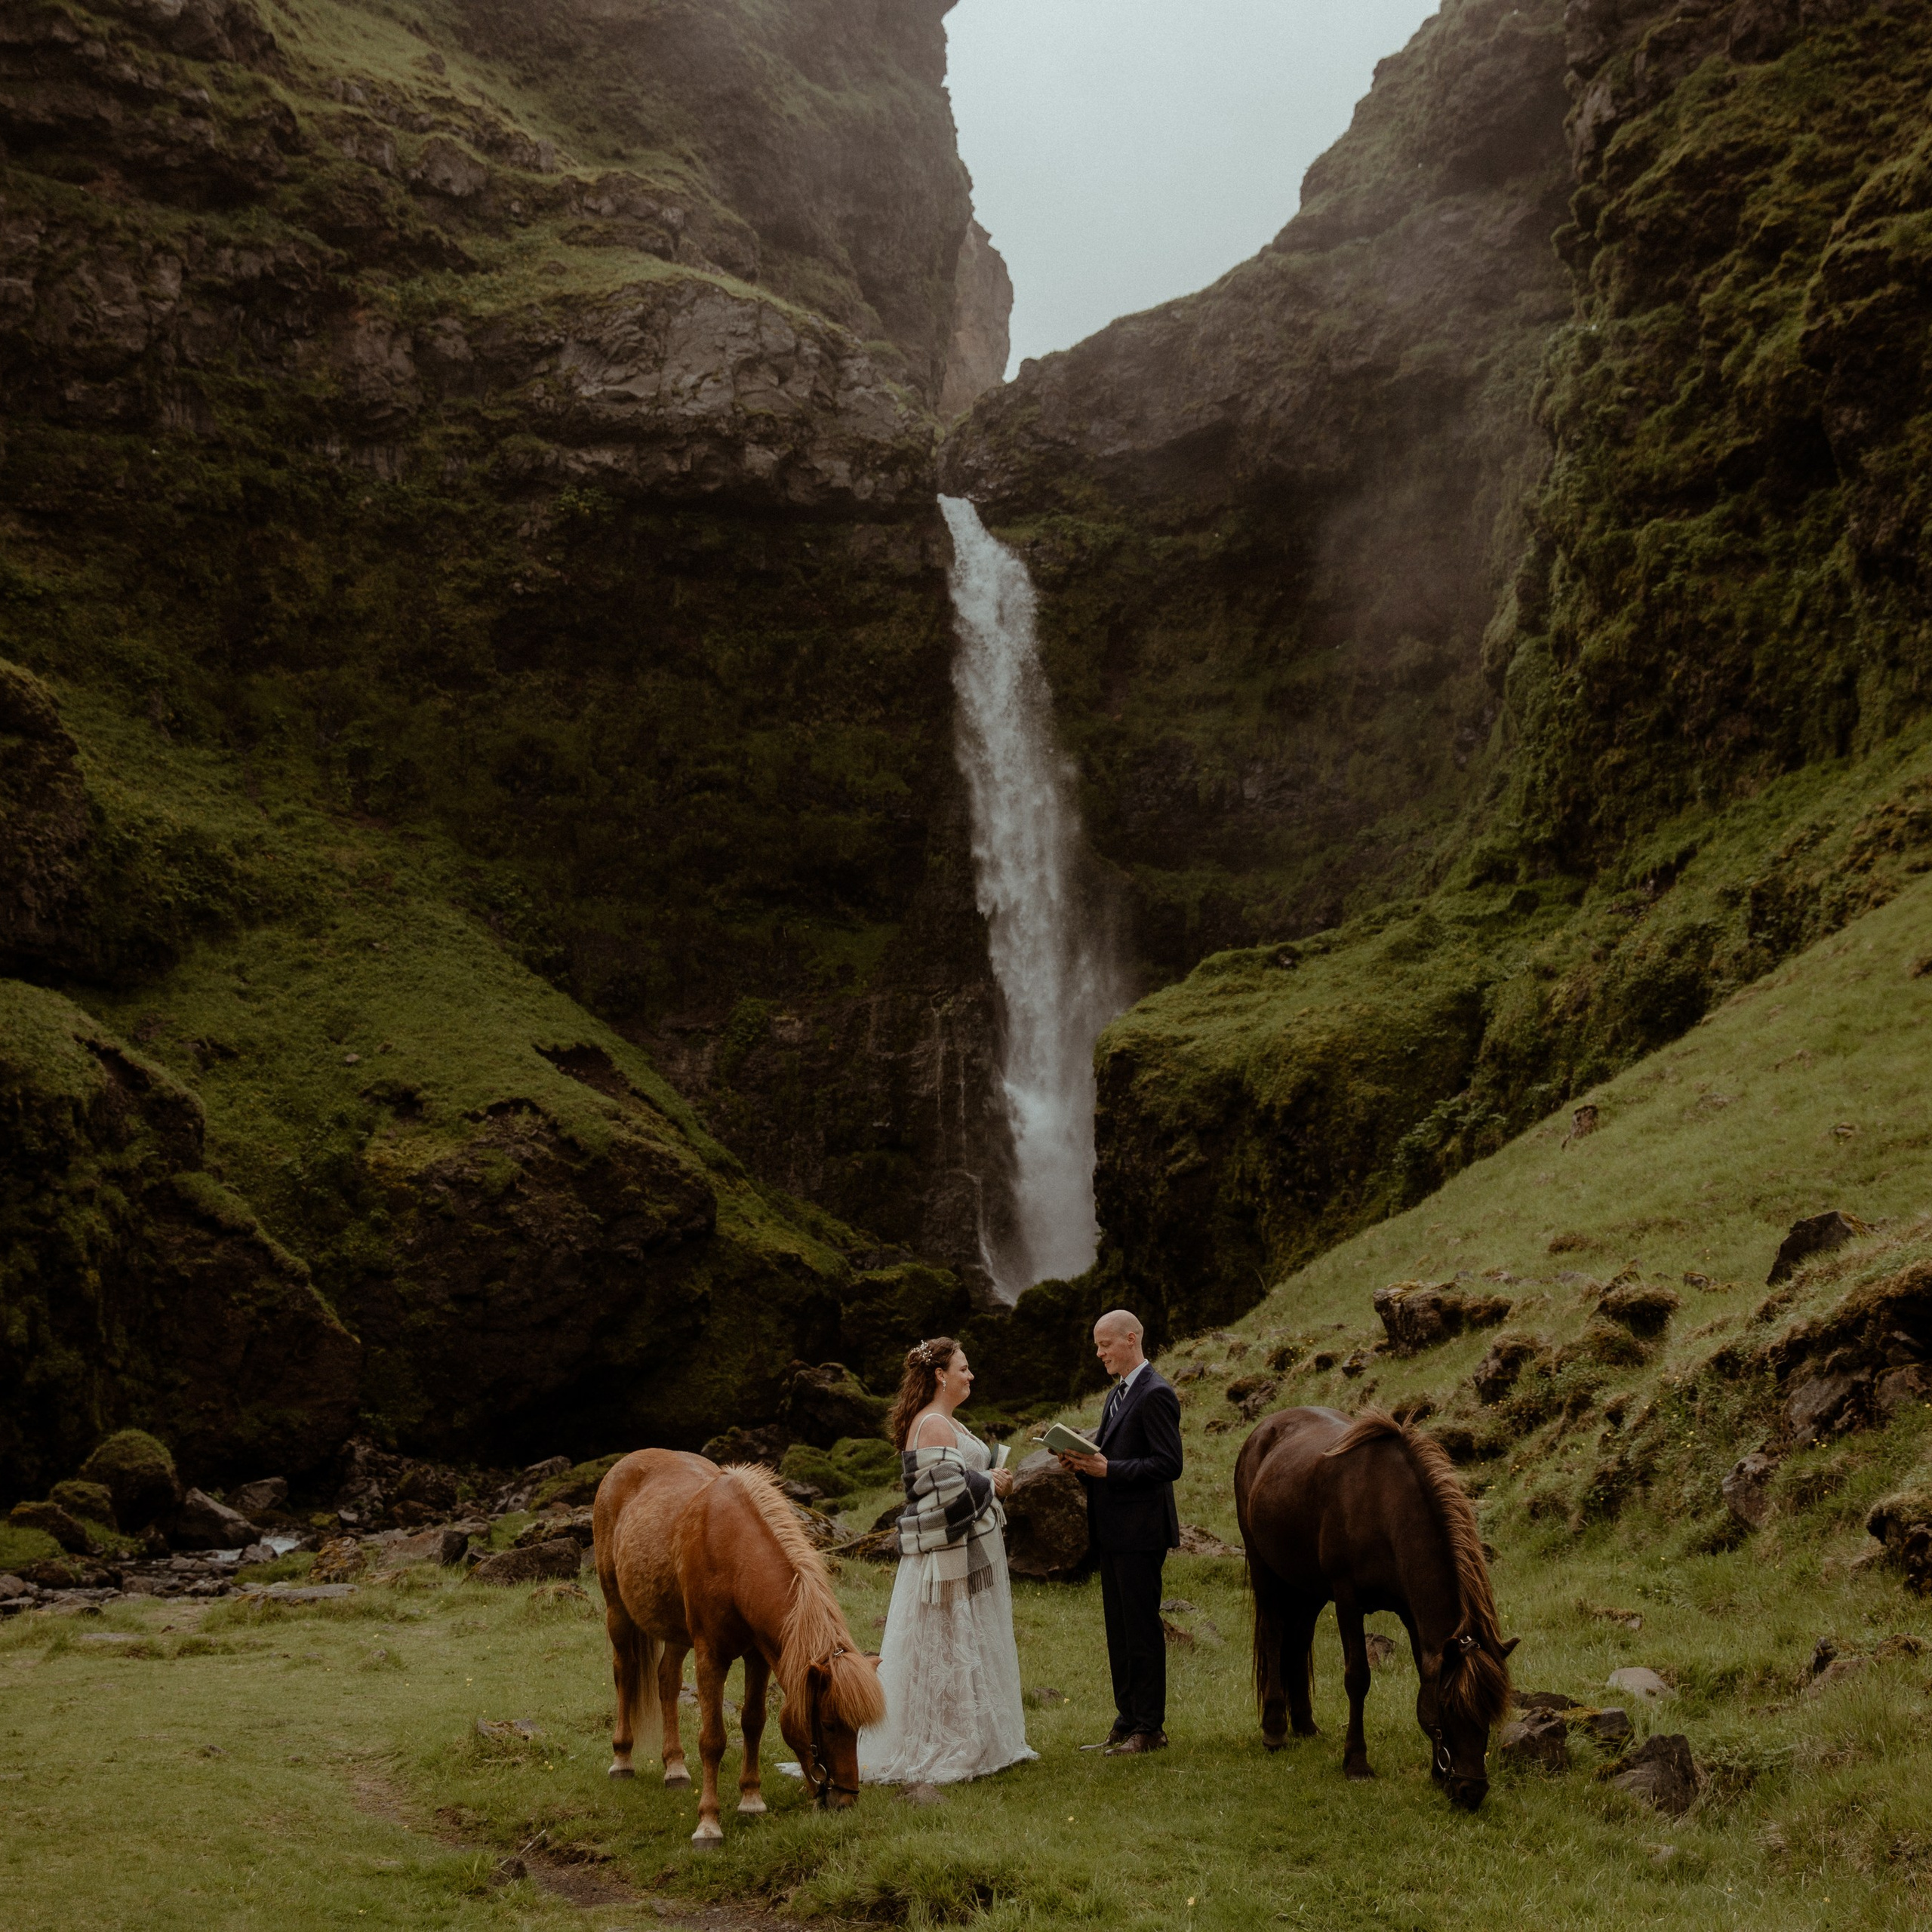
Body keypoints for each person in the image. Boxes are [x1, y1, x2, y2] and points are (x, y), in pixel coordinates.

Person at [859, 1336, 1036, 1784]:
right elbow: (947, 1495)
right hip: (949, 1560)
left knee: (964, 1643)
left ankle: (972, 1734)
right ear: (941, 1375)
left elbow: (957, 1481)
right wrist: (991, 1482)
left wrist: (993, 1481)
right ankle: (950, 1742)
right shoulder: (934, 1424)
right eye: (963, 1368)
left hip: (964, 1554)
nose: (970, 1375)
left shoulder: (944, 1421)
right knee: (948, 1646)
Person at [1057, 1309, 1183, 1755]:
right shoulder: (1116, 1396)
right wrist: (1082, 1467)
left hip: (1143, 1533)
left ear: (1131, 1339)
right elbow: (1107, 1467)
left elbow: (1170, 1464)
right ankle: (1127, 1720)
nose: (1099, 1353)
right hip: (1111, 1532)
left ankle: (1150, 1728)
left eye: (1105, 1343)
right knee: (1120, 1631)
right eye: (1096, 1345)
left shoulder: (1156, 1393)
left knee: (1142, 1630)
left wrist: (1109, 1468)